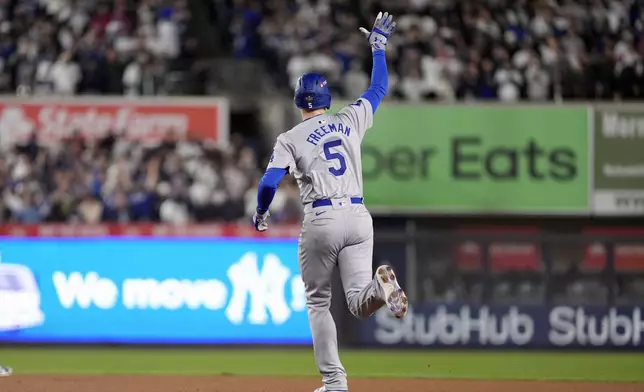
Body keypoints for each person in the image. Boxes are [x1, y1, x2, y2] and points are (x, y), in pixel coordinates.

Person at [252, 12, 406, 392]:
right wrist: (379, 48)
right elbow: (378, 89)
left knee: (319, 302)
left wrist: (260, 211)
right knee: (357, 301)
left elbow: (270, 181)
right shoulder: (349, 119)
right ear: (325, 98)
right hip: (358, 215)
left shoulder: (290, 137)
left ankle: (335, 382)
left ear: (299, 102)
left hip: (321, 218)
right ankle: (380, 285)